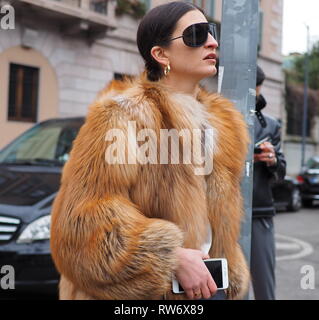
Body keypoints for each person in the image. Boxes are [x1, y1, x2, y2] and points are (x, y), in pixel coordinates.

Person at [50, 1, 250, 300]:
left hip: (210, 289)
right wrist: (170, 257)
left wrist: (226, 261)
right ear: (160, 54)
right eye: (196, 35)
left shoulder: (224, 125)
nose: (212, 41)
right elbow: (81, 226)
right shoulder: (122, 116)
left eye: (211, 31)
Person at [250, 66, 286, 300]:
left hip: (259, 211)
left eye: (259, 91)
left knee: (265, 287)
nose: (257, 96)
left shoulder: (270, 125)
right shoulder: (215, 113)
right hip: (218, 213)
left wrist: (271, 160)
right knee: (226, 287)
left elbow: (280, 173)